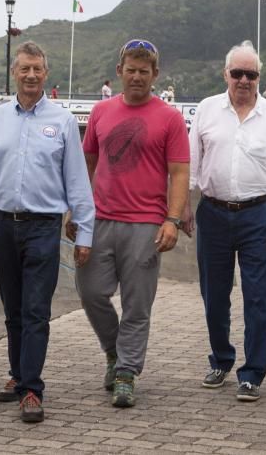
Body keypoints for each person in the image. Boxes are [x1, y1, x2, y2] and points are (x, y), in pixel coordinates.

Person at [0, 42, 95, 423]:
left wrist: (83, 234)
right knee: (13, 309)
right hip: (2, 224)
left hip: (43, 227)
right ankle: (18, 375)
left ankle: (33, 389)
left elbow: (77, 182)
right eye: (25, 69)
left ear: (46, 73)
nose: (31, 75)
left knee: (36, 309)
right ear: (14, 72)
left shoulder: (63, 121)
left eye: (37, 69)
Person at [74, 38, 190, 408]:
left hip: (145, 224)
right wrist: (75, 212)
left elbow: (179, 172)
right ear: (119, 71)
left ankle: (126, 372)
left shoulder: (170, 118)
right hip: (101, 218)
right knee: (91, 292)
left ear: (155, 75)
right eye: (131, 69)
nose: (137, 77)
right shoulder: (101, 112)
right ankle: (114, 351)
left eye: (144, 71)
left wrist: (171, 219)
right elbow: (85, 165)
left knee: (137, 305)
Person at [185, 41, 266, 402]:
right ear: (226, 74)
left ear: (259, 77)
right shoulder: (206, 110)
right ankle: (221, 359)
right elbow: (191, 164)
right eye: (238, 73)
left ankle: (252, 373)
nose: (244, 80)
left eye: (251, 74)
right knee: (214, 295)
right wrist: (185, 206)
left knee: (256, 296)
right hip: (213, 212)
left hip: (257, 214)